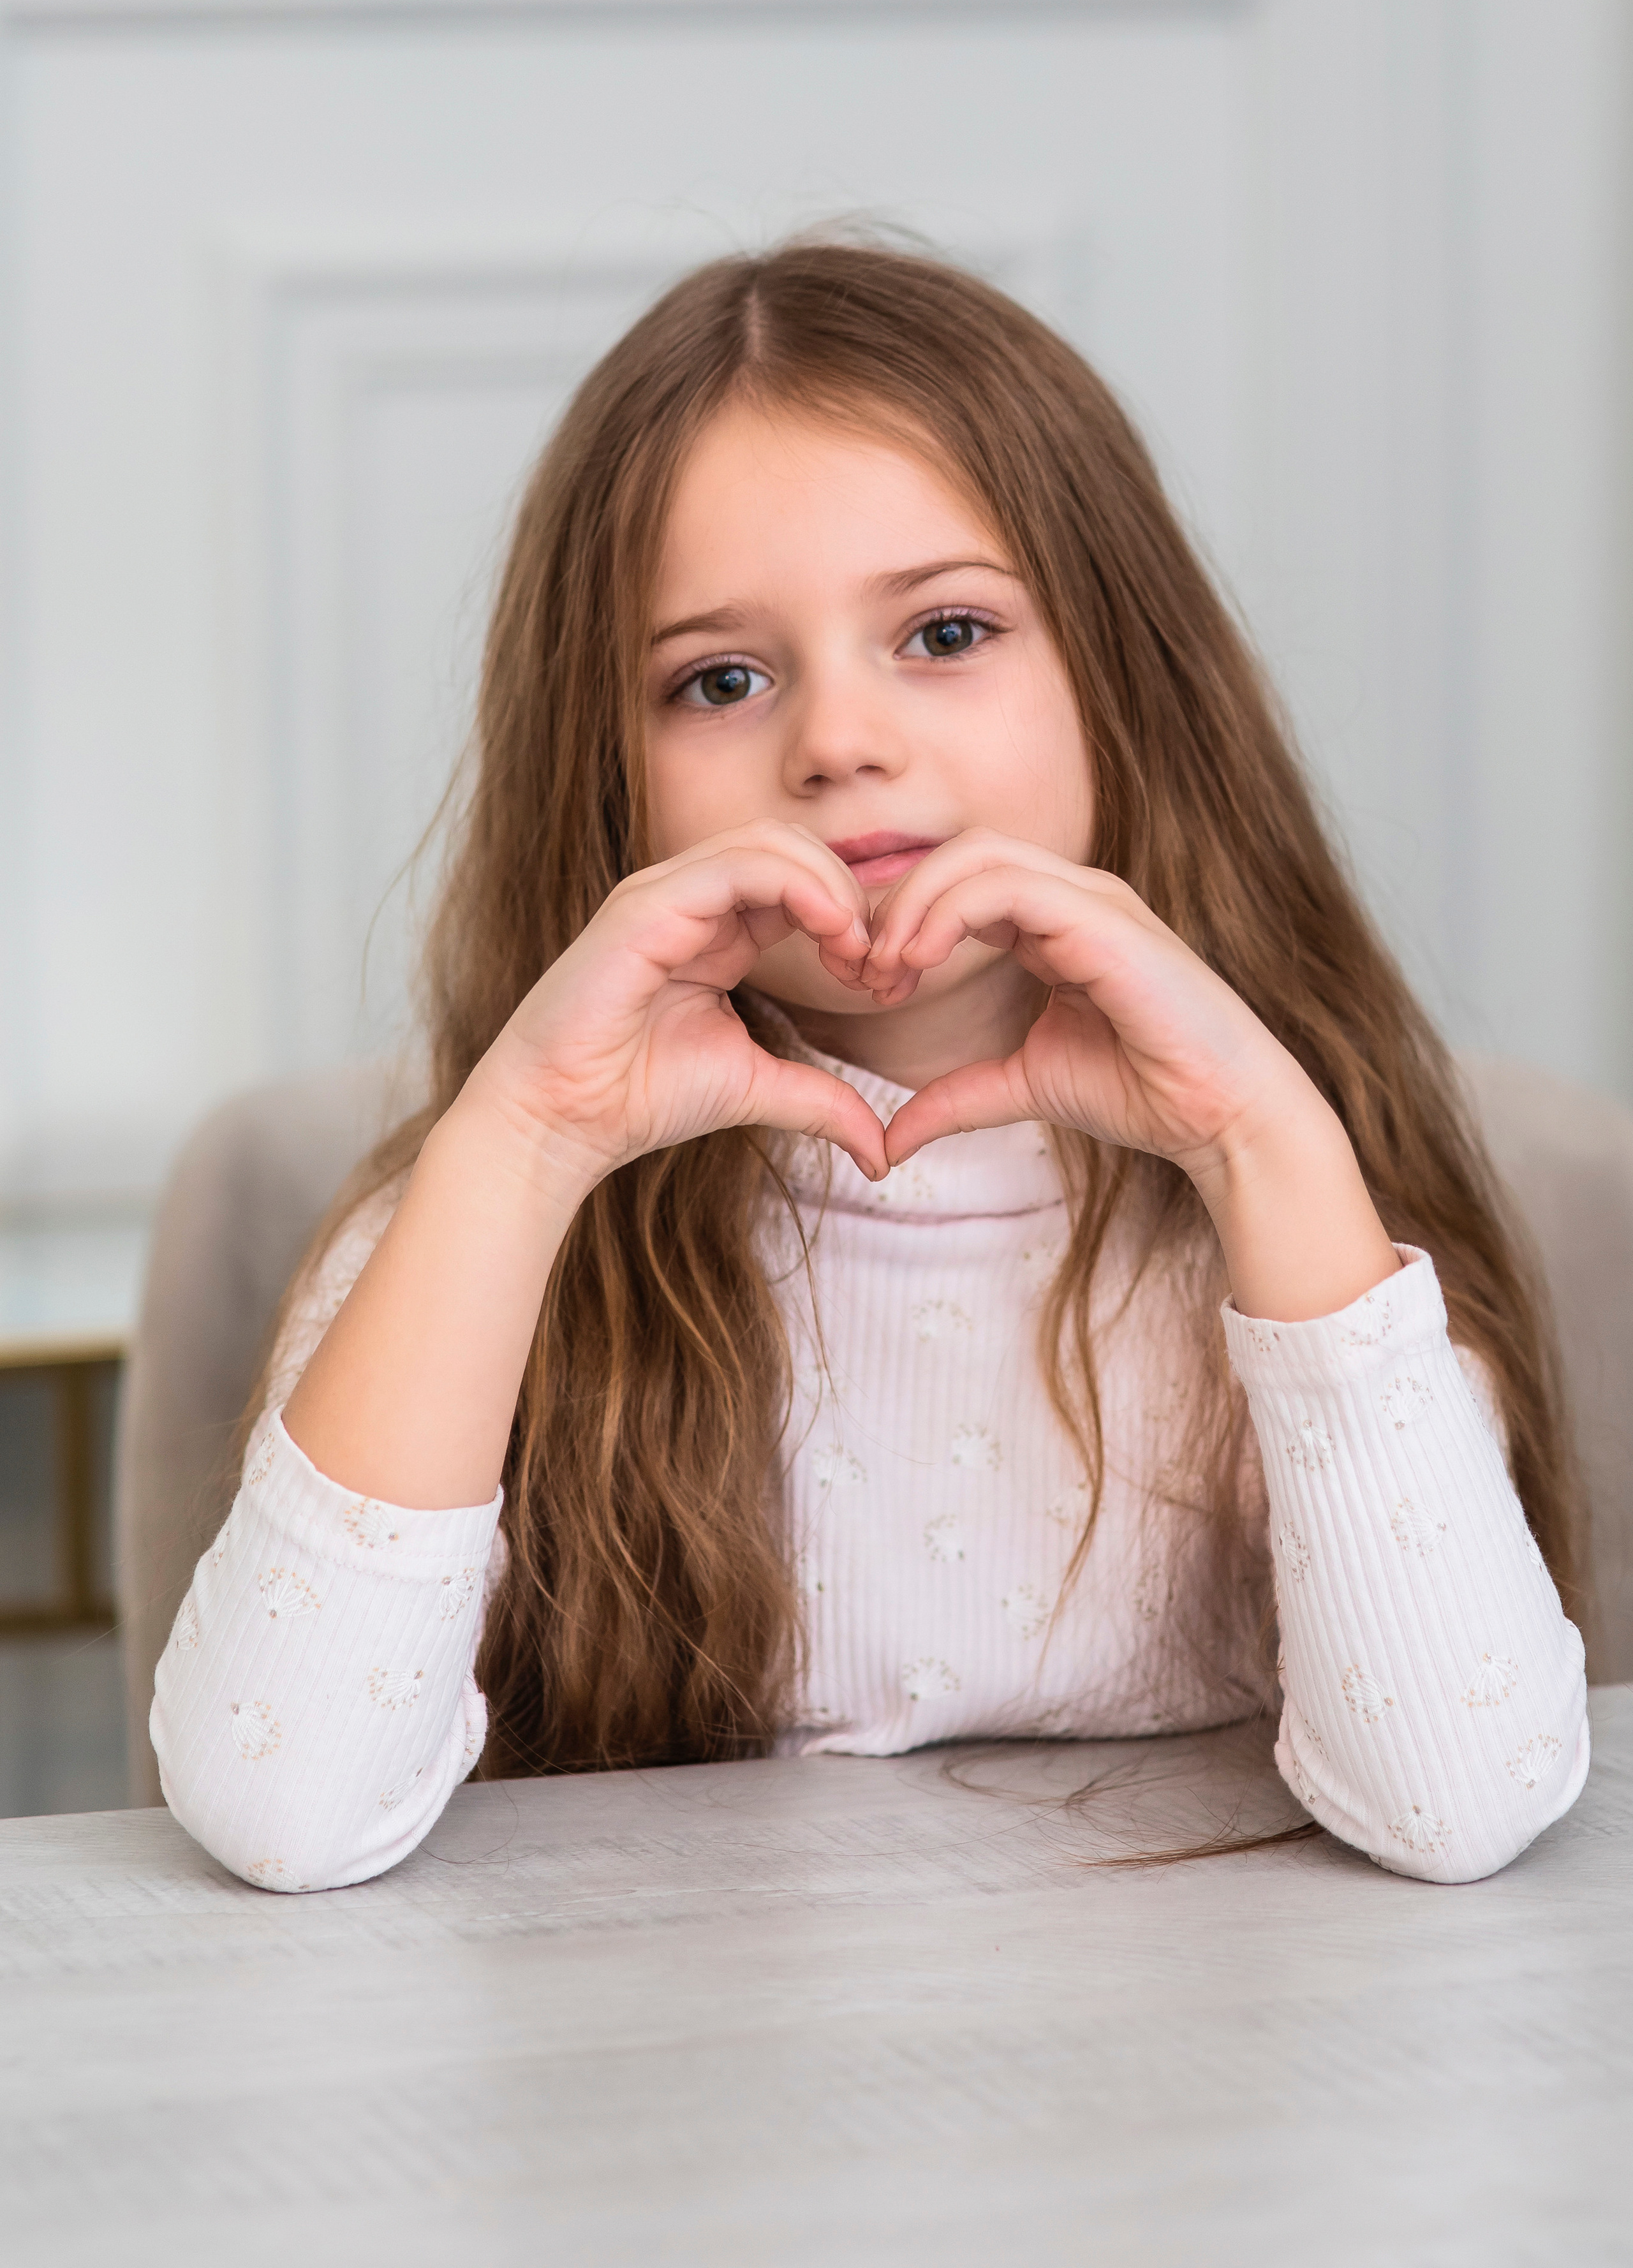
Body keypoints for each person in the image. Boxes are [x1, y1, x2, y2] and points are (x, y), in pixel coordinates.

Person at [151, 240, 1588, 1893]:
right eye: (723, 679)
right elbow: (282, 1813)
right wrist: (522, 1144)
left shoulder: (1305, 1205)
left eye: (946, 631)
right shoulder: (482, 1219)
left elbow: (1463, 1801)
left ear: (1129, 683)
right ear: (611, 786)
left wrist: (1267, 1147)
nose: (837, 739)